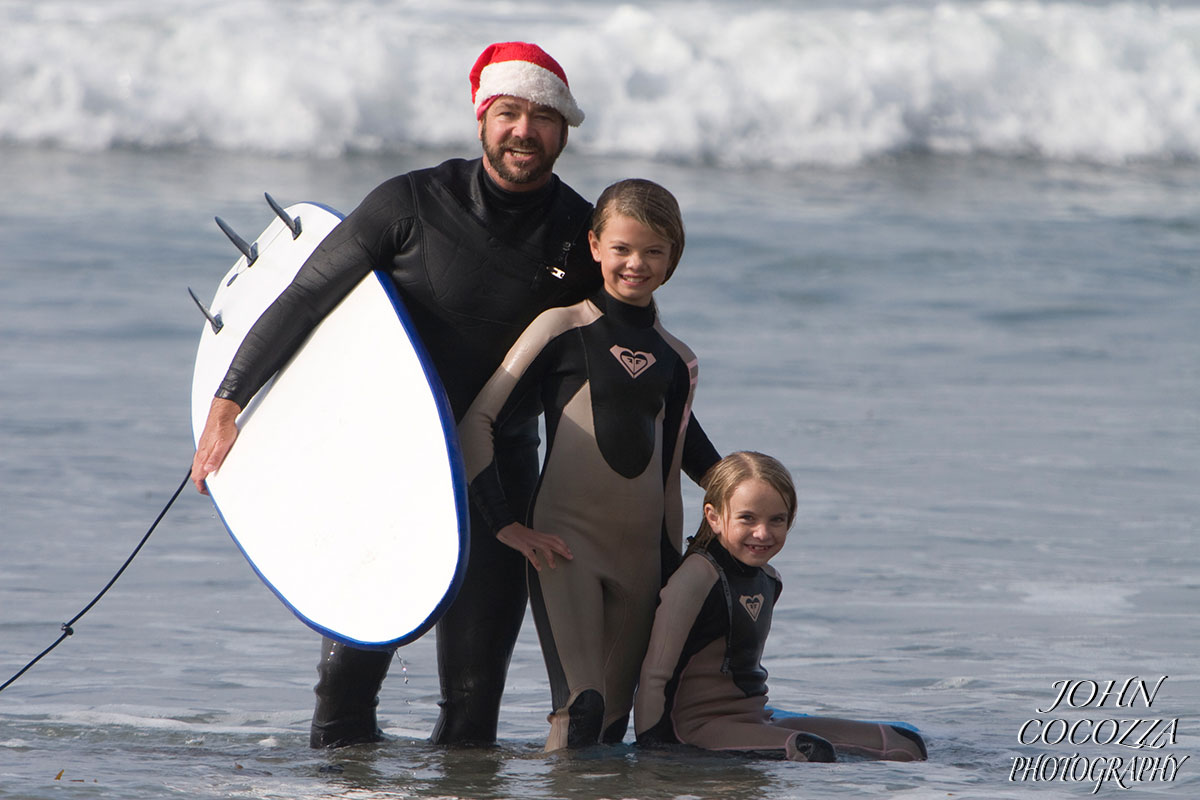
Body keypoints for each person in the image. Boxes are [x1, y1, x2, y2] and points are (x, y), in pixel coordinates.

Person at [190, 41, 660, 748]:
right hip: (384, 464)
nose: (523, 131)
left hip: (499, 474)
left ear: (565, 131)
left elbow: (632, 361)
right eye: (508, 113)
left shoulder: (583, 236)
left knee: (473, 712)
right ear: (481, 120)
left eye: (542, 117)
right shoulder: (410, 202)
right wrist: (228, 405)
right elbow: (306, 297)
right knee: (343, 704)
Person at [458, 178, 720, 750]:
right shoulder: (561, 327)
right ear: (596, 245)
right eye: (622, 248)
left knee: (613, 722)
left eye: (654, 251)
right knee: (582, 707)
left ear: (674, 255)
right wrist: (505, 522)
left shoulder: (679, 361)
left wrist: (732, 516)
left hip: (645, 560)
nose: (636, 264)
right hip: (564, 545)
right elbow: (477, 422)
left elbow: (681, 461)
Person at [634, 451, 928, 762]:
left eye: (777, 520)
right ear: (715, 517)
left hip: (755, 719)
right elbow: (654, 676)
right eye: (747, 517)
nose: (763, 533)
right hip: (694, 727)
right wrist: (653, 754)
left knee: (905, 743)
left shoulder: (768, 579)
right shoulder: (696, 578)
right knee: (810, 752)